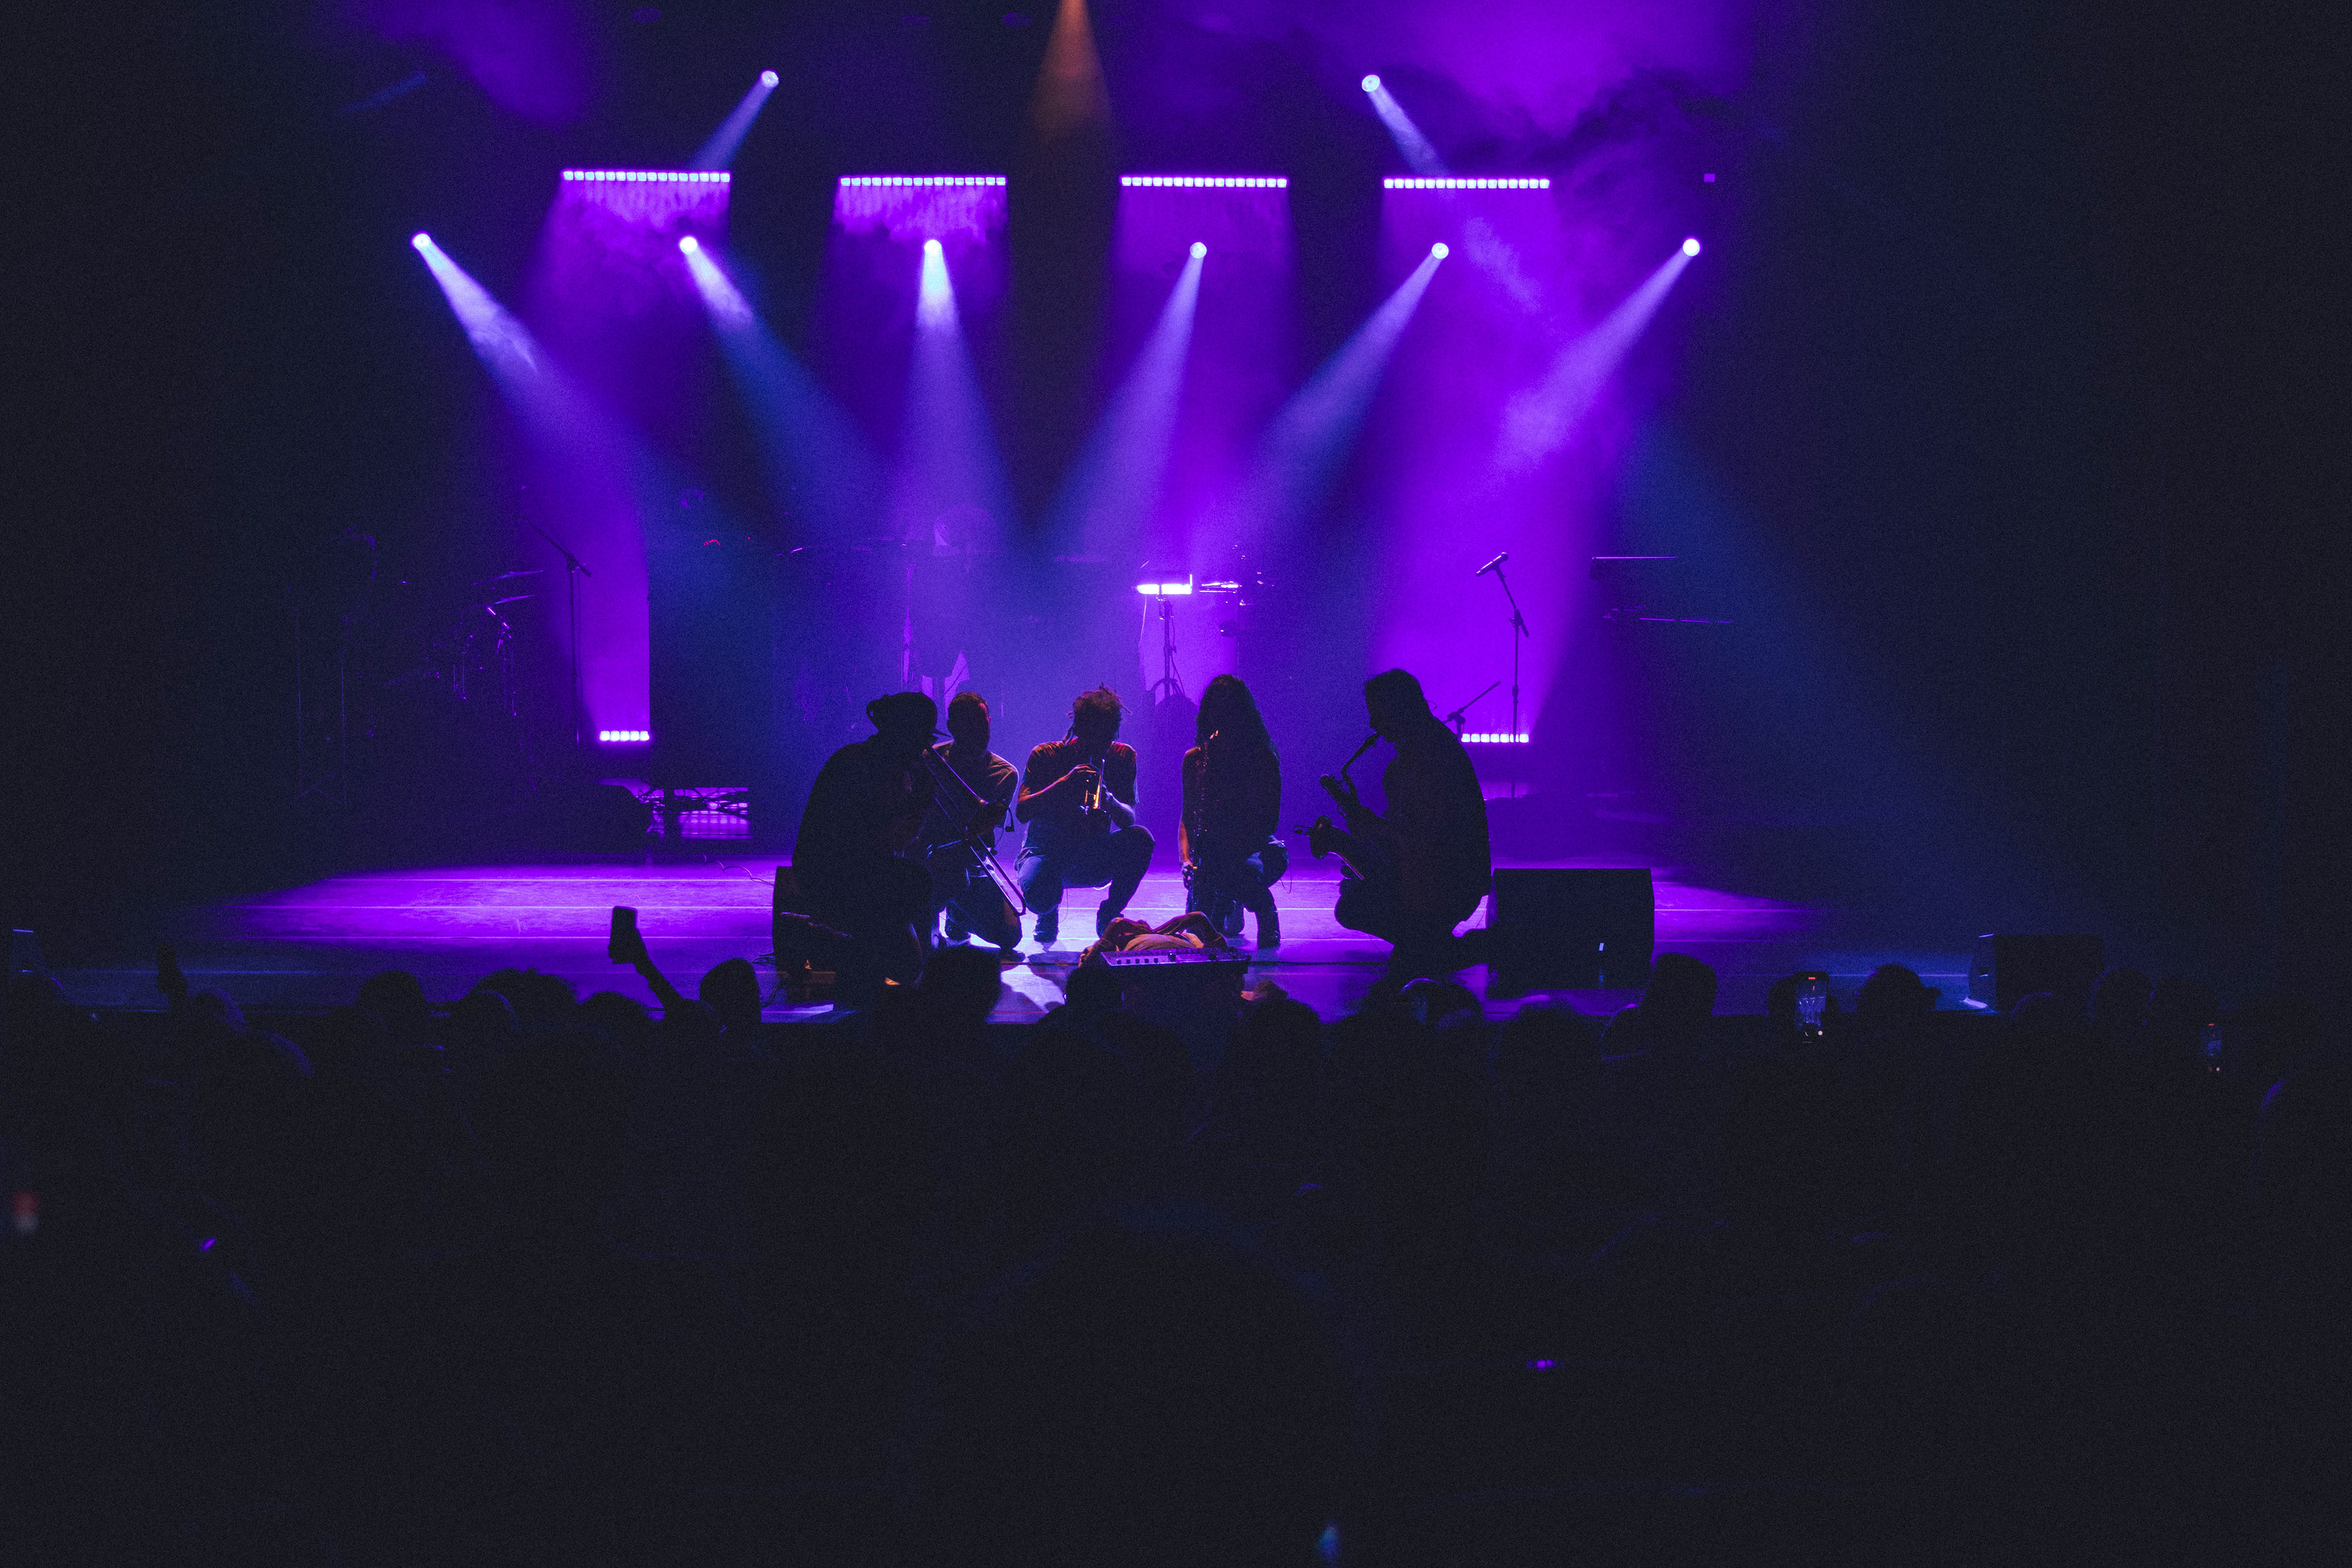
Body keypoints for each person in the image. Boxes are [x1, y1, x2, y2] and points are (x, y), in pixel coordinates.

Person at [1304, 669, 1491, 974]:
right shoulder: (1418, 749)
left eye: (1376, 713)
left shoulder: (1430, 755)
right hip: (1439, 875)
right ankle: (1431, 945)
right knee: (1357, 905)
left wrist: (1372, 828)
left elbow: (1429, 838)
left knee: (1358, 910)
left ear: (1398, 708)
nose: (1372, 724)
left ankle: (1466, 947)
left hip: (1447, 880)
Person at [791, 692, 940, 1001]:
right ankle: (835, 946)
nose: (926, 748)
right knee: (917, 883)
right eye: (923, 738)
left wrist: (921, 809)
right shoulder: (855, 763)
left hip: (860, 871)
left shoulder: (897, 770)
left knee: (906, 966)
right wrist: (910, 805)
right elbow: (858, 837)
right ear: (904, 733)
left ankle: (831, 940)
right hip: (828, 872)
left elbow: (898, 841)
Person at [1016, 686, 1154, 948]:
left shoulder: (1123, 756)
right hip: (1046, 853)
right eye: (1093, 738)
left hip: (1092, 853)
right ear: (1078, 729)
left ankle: (1110, 913)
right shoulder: (1046, 755)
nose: (1101, 746)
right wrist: (1063, 784)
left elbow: (1129, 820)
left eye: (1107, 737)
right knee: (1041, 896)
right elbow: (1022, 811)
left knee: (1141, 839)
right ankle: (1048, 911)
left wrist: (1110, 801)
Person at [1180, 673, 1286, 952]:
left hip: (1255, 851)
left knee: (1241, 876)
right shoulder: (1196, 759)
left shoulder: (1262, 758)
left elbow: (1270, 822)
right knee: (1201, 934)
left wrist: (1227, 851)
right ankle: (1230, 899)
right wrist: (1186, 860)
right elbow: (1188, 817)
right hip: (1212, 856)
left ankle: (1263, 906)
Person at [919, 690, 1023, 954]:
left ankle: (956, 916)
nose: (980, 732)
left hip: (971, 861)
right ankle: (932, 915)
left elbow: (983, 827)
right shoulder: (929, 759)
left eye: (983, 724)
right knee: (923, 942)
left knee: (1010, 935)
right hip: (928, 858)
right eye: (970, 725)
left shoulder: (1005, 773)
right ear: (953, 727)